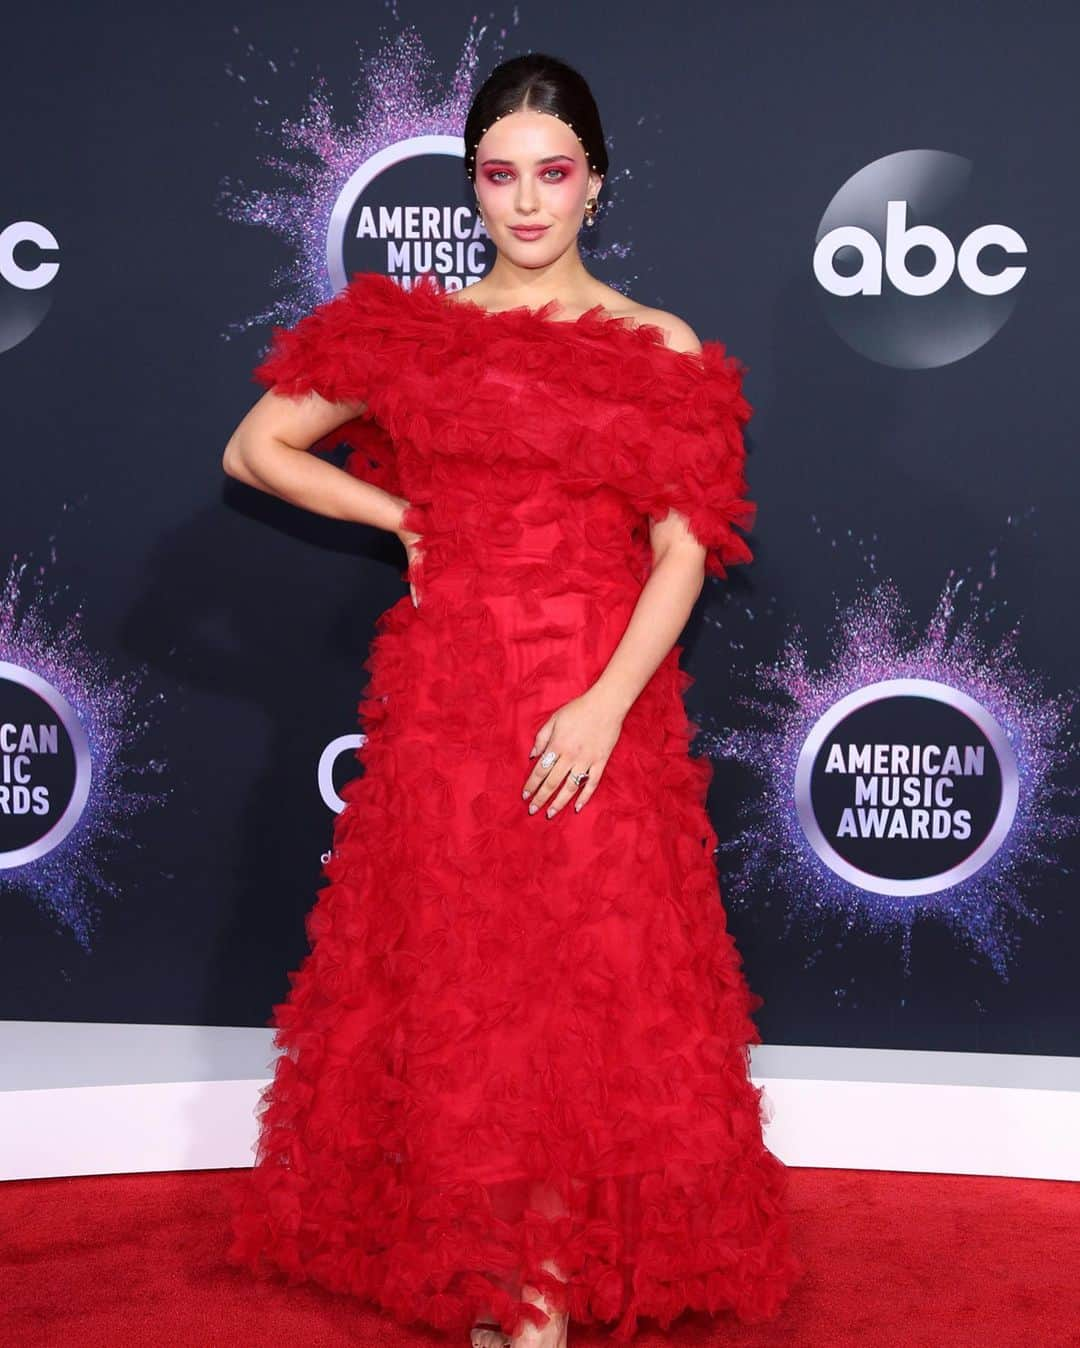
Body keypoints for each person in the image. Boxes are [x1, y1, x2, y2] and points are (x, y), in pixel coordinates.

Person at [222, 49, 802, 1348]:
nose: (527, 201)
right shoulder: (413, 335)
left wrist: (603, 706)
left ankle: (534, 1292)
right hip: (453, 712)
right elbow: (256, 447)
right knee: (470, 994)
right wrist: (401, 517)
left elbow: (685, 546)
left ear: (596, 184)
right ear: (471, 185)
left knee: (583, 992)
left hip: (600, 700)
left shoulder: (655, 344)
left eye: (554, 174)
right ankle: (512, 1294)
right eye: (500, 175)